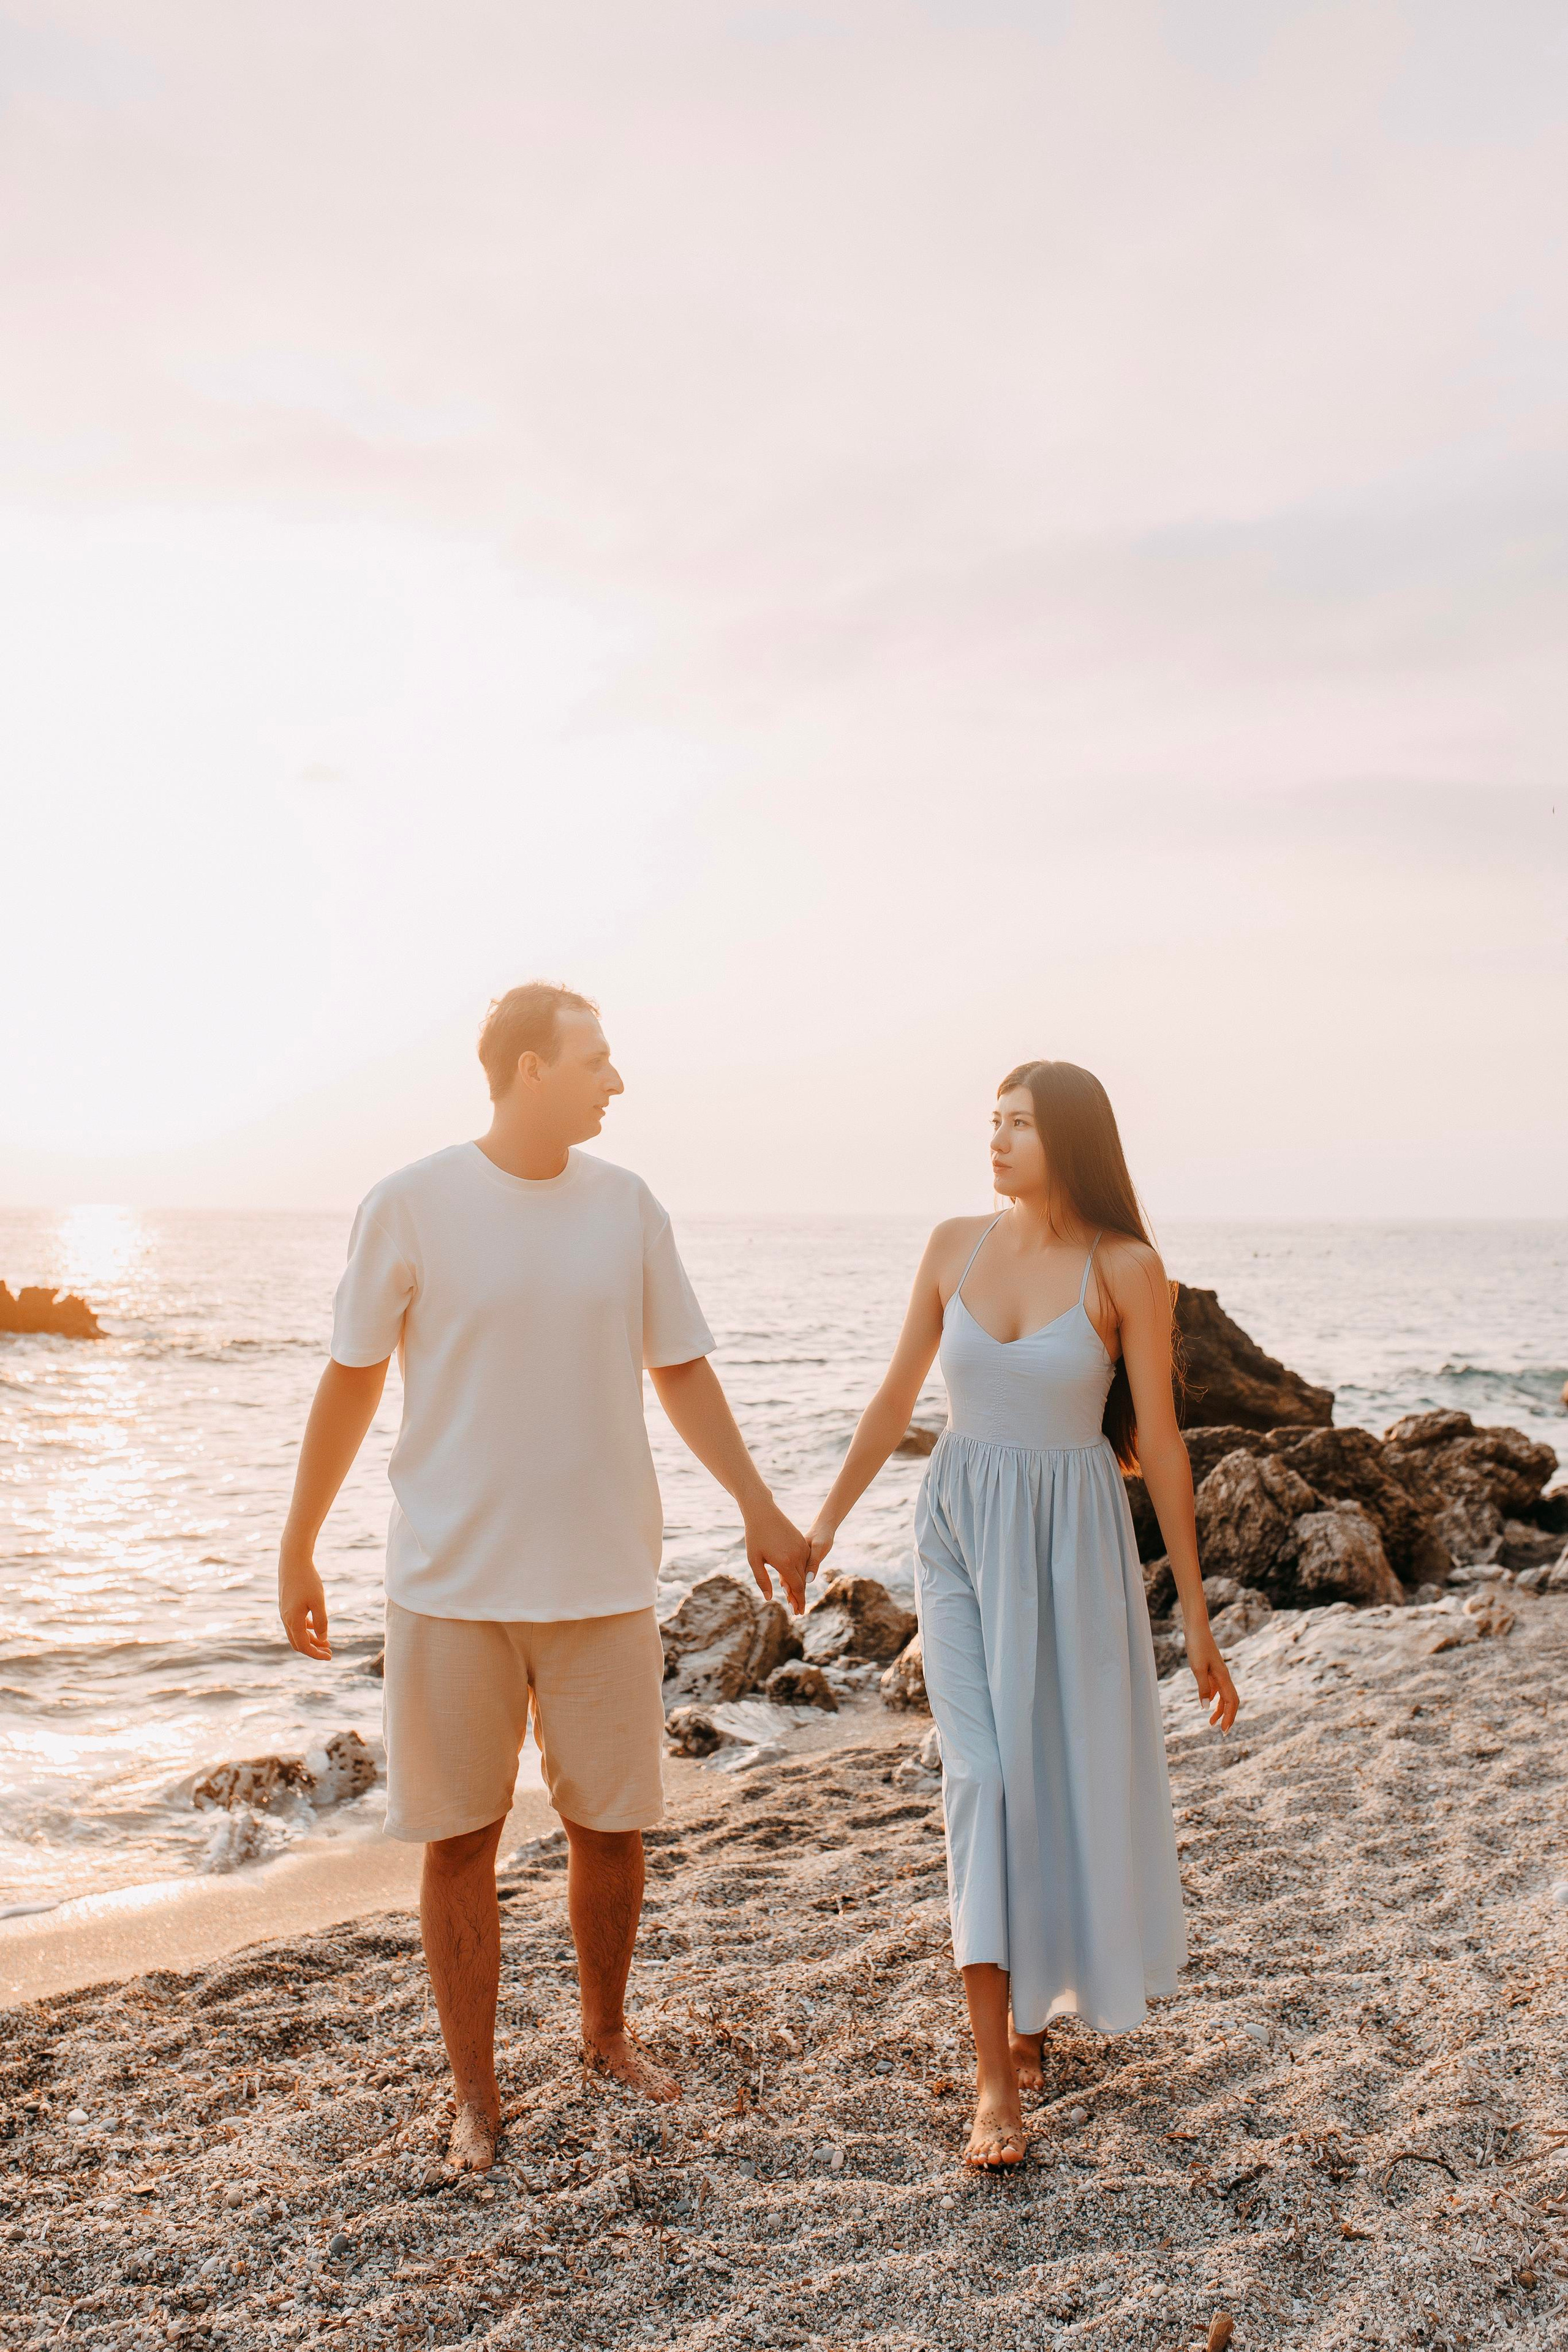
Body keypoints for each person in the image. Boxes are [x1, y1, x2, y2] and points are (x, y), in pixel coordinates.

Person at [277, 982, 810, 2173]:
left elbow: (679, 1371)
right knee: (458, 1842)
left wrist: (759, 1505)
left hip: (603, 1578)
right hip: (448, 1585)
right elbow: (352, 1379)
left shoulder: (626, 1209)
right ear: (529, 1068)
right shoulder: (409, 1204)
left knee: (608, 1825)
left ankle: (605, 2036)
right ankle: (476, 2096)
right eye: (596, 1060)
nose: (615, 1081)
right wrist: (298, 1542)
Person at [807, 1058, 1238, 2169]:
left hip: (1074, 1543)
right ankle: (995, 2077)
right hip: (957, 1529)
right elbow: (897, 1396)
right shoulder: (954, 1244)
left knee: (1049, 1771)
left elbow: (1165, 1444)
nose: (995, 1141)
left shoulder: (1127, 1269)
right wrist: (818, 1528)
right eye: (991, 1122)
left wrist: (1194, 1615)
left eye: (1021, 1126)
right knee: (983, 1776)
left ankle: (1035, 2007)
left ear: (1074, 1141)